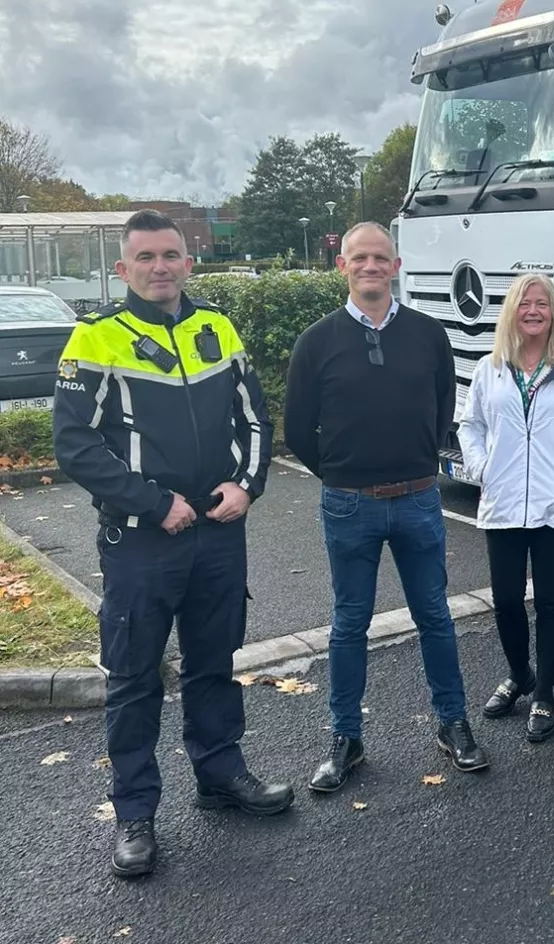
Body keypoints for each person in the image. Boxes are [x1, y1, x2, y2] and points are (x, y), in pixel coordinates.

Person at [52, 209, 292, 878]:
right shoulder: (95, 338)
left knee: (214, 663)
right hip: (139, 544)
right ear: (122, 269)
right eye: (147, 257)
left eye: (171, 255)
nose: (161, 267)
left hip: (219, 534)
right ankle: (135, 815)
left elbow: (254, 419)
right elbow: (74, 443)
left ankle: (221, 776)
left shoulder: (216, 326)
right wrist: (155, 504)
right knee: (133, 681)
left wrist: (246, 486)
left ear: (188, 262)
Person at [285, 221, 489, 792]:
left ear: (396, 266)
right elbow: (299, 428)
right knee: (349, 624)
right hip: (349, 505)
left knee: (435, 617)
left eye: (380, 257)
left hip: (420, 501)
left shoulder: (428, 335)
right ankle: (345, 738)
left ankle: (453, 724)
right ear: (341, 267)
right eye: (359, 258)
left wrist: (417, 463)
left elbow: (442, 404)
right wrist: (343, 474)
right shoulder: (317, 341)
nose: (370, 266)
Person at [457, 273, 554, 741]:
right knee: (505, 600)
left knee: (549, 600)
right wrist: (482, 467)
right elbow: (471, 425)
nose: (533, 311)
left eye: (541, 304)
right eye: (524, 304)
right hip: (503, 501)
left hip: (553, 503)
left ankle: (544, 693)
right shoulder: (491, 368)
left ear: (553, 312)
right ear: (512, 312)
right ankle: (519, 674)